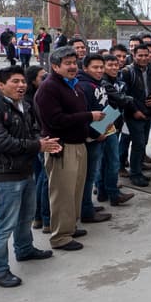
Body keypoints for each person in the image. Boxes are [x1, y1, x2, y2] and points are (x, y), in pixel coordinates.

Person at [0, 66, 59, 287]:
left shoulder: (25, 106)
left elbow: (34, 130)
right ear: (0, 85)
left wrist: (41, 142)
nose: (21, 85)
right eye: (15, 81)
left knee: (26, 216)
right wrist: (37, 145)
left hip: (25, 170)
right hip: (3, 176)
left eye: (23, 81)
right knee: (4, 224)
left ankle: (24, 249)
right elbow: (1, 142)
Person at [34, 46, 102, 252]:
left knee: (75, 190)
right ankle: (60, 237)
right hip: (62, 147)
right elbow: (56, 120)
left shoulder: (73, 85)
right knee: (62, 193)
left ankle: (70, 226)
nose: (73, 67)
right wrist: (90, 116)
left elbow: (76, 113)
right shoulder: (49, 88)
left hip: (79, 144)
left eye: (74, 62)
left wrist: (92, 128)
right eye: (68, 63)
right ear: (55, 66)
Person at [95, 53, 133, 207]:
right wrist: (128, 99)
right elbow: (120, 99)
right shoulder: (103, 82)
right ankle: (112, 193)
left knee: (106, 159)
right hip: (105, 119)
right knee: (111, 159)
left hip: (114, 118)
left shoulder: (118, 80)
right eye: (109, 65)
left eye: (116, 65)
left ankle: (104, 191)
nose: (113, 68)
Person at [121, 44, 151, 188]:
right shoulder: (127, 72)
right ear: (134, 55)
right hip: (134, 114)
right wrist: (135, 111)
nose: (144, 58)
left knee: (142, 144)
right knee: (137, 144)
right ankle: (135, 175)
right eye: (140, 55)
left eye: (146, 55)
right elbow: (124, 95)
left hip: (148, 112)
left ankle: (138, 171)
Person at [23, 65, 52, 232]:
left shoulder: (39, 94)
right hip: (38, 142)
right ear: (33, 81)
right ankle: (45, 218)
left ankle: (39, 217)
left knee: (40, 178)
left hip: (36, 141)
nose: (46, 79)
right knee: (44, 179)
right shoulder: (31, 100)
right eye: (43, 77)